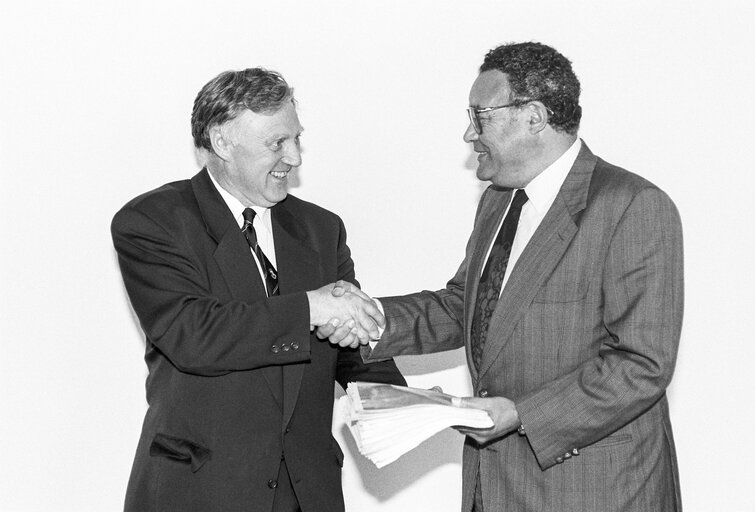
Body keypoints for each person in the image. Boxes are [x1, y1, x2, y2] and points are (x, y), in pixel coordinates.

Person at [324, 42, 683, 511]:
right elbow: (466, 305)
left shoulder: (632, 206)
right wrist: (371, 318)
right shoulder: (500, 200)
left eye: (481, 116)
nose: (468, 133)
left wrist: (520, 414)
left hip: (596, 489)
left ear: (533, 116)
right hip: (494, 484)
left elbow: (642, 364)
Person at [111, 67, 405, 512]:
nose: (295, 157)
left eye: (296, 139)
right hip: (201, 490)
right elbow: (194, 334)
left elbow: (350, 344)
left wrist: (409, 404)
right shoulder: (153, 222)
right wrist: (310, 307)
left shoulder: (322, 229)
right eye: (276, 144)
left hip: (307, 492)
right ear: (222, 142)